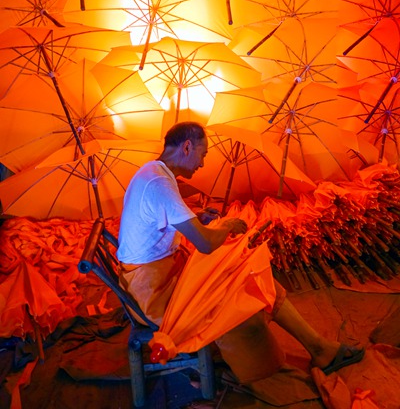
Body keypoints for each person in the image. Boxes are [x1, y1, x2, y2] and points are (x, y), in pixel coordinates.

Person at [117, 121, 365, 378]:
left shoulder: (152, 171)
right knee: (242, 285)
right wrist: (228, 226)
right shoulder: (160, 184)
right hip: (154, 292)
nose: (202, 163)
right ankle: (293, 357)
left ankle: (318, 347)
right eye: (203, 154)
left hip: (155, 276)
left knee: (243, 271)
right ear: (187, 147)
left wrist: (198, 218)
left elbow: (160, 218)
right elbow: (205, 244)